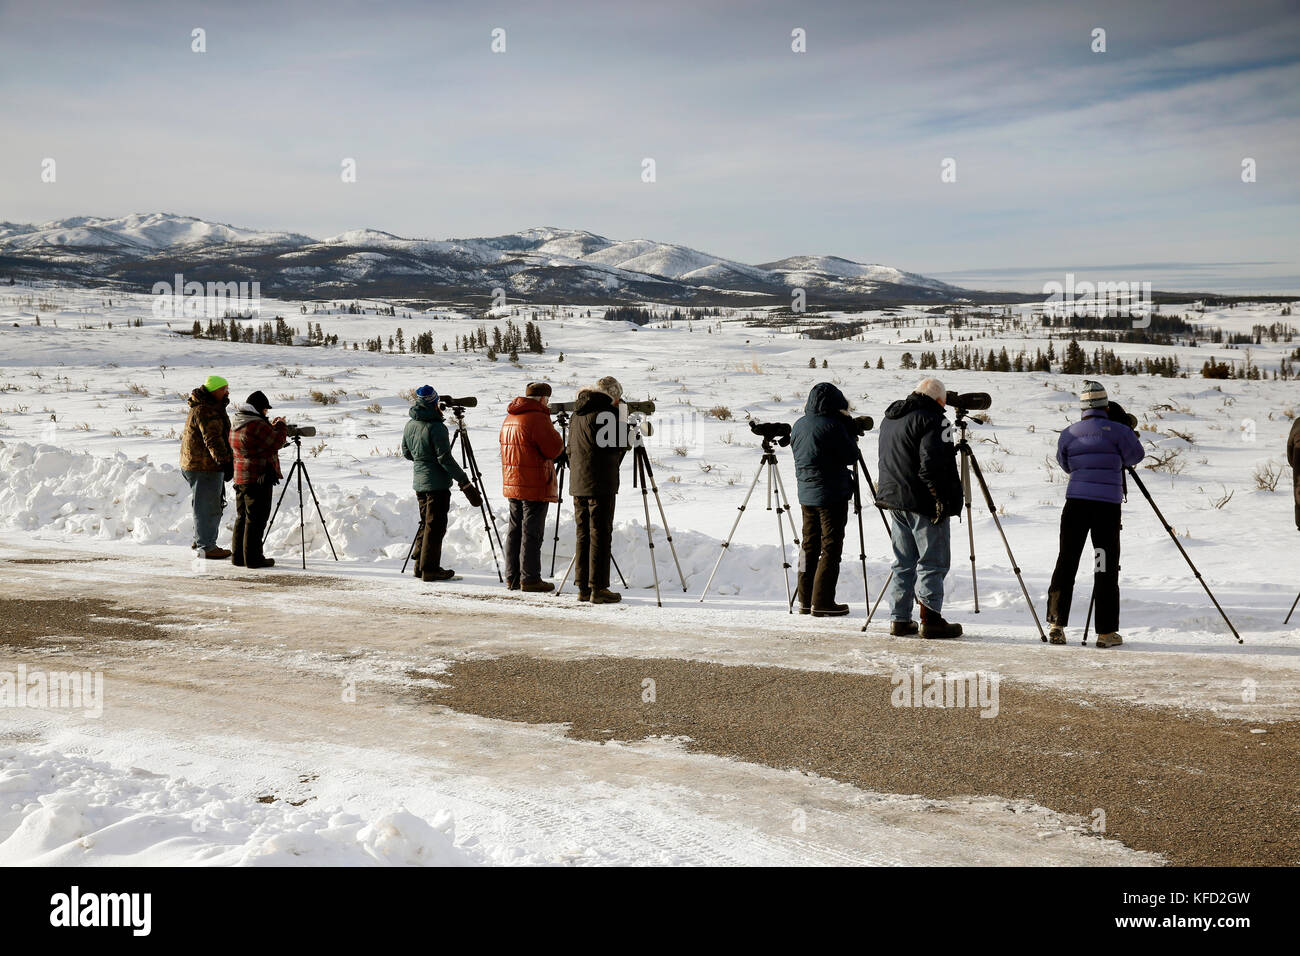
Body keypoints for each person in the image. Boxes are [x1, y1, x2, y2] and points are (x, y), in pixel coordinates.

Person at [1046, 381, 1146, 648]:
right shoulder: (1118, 431)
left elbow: (1065, 463)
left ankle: (1056, 624)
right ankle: (1105, 632)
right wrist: (1123, 431)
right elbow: (1135, 455)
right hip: (1106, 508)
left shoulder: (1069, 433)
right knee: (1104, 565)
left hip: (1075, 505)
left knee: (1067, 561)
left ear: (1082, 407)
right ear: (1105, 405)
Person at [874, 377, 964, 639]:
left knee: (903, 561)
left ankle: (899, 619)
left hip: (894, 497)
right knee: (932, 562)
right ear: (939, 400)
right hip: (923, 501)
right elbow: (933, 463)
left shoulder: (890, 418)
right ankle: (930, 619)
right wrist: (939, 497)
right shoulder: (934, 419)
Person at [401, 385, 482, 583]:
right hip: (436, 485)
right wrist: (464, 482)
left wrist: (423, 462)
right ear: (434, 402)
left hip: (419, 482)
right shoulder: (437, 427)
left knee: (426, 523)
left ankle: (420, 565)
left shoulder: (410, 424)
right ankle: (430, 569)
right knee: (435, 526)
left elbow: (406, 452)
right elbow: (444, 458)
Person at [790, 382, 857, 617]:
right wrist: (848, 431)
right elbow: (851, 455)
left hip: (806, 494)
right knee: (830, 547)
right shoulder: (833, 426)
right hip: (831, 495)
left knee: (808, 546)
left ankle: (804, 600)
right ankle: (823, 602)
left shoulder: (799, 425)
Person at [566, 376, 631, 604]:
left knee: (583, 534)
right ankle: (599, 588)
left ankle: (583, 587)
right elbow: (620, 443)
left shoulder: (577, 413)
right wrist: (623, 418)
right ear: (614, 396)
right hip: (600, 483)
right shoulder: (608, 413)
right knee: (600, 535)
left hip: (578, 483)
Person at [499, 382, 565, 592]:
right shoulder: (537, 418)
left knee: (515, 530)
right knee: (532, 532)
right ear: (544, 399)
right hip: (534, 483)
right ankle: (530, 579)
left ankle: (513, 577)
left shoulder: (510, 417)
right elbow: (554, 449)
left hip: (513, 481)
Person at [229, 390, 288, 569]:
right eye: (265, 411)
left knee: (242, 517)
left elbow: (258, 445)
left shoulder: (237, 422)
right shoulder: (255, 425)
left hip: (240, 476)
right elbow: (276, 441)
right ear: (258, 409)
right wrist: (281, 425)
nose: (266, 414)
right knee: (256, 519)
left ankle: (238, 557)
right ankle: (254, 559)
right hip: (258, 477)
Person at [180, 374, 234, 559]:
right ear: (213, 390)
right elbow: (212, 439)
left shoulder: (208, 407)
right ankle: (206, 547)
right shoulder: (205, 410)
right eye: (223, 388)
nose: (226, 391)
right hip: (204, 466)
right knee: (208, 507)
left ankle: (201, 540)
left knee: (203, 504)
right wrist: (224, 461)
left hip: (198, 464)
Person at [1288, 415, 1300, 531]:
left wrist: (1294, 465)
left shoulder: (1298, 422)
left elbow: (1289, 447)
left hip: (1298, 452)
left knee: (1299, 488)